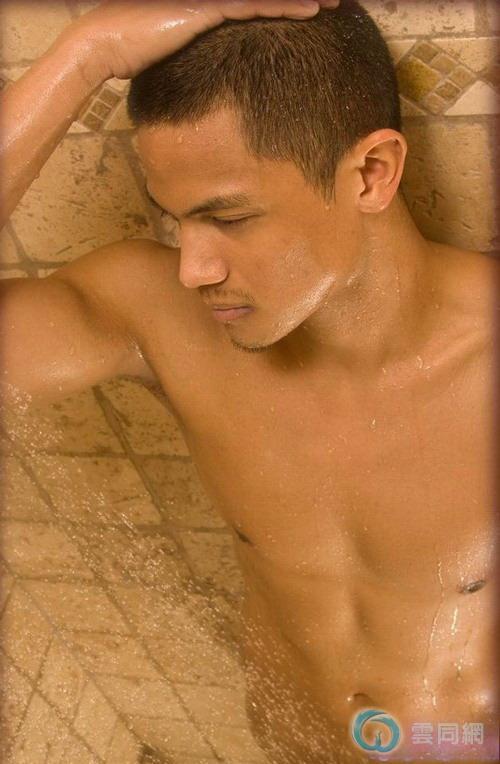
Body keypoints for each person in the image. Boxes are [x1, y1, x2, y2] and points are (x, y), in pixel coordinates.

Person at [0, 1, 498, 761]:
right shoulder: (160, 318)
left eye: (229, 218)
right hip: (294, 744)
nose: (194, 269)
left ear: (371, 174)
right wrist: (85, 54)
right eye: (176, 221)